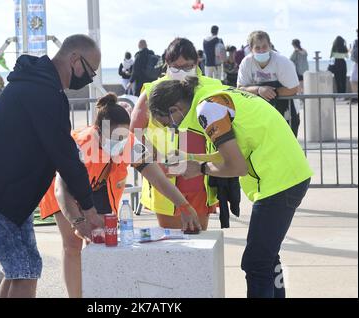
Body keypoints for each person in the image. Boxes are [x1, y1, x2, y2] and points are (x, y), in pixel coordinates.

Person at [0, 34, 104, 298]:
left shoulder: (38, 84)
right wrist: (89, 208)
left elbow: (63, 155)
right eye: (89, 71)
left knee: (21, 269)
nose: (89, 78)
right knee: (26, 273)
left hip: (4, 191)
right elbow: (65, 158)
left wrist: (79, 215)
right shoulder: (43, 91)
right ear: (74, 59)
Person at [148, 77, 313, 298]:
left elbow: (236, 166)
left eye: (168, 122)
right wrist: (193, 160)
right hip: (287, 174)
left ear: (175, 109)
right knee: (267, 258)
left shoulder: (209, 109)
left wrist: (202, 168)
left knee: (255, 263)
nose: (172, 127)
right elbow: (231, 153)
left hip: (279, 181)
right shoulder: (211, 95)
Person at [39, 93, 201, 298]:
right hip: (67, 191)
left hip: (99, 186)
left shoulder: (130, 143)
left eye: (124, 137)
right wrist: (78, 221)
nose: (121, 143)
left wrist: (184, 206)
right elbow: (62, 190)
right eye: (115, 138)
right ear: (98, 131)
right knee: (73, 244)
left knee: (105, 241)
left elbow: (159, 179)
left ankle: (101, 294)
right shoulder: (81, 144)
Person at [130, 37, 224, 231]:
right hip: (166, 180)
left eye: (187, 66)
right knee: (172, 246)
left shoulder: (213, 87)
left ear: (197, 62)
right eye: (176, 67)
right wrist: (156, 158)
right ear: (167, 63)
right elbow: (133, 134)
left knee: (199, 242)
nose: (181, 72)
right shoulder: (152, 91)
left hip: (202, 178)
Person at [238, 31, 300, 137]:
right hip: (259, 114)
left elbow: (294, 88)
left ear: (270, 46)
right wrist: (259, 90)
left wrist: (271, 93)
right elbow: (240, 88)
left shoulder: (282, 62)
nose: (261, 50)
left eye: (264, 47)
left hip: (287, 112)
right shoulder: (246, 63)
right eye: (257, 48)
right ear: (251, 49)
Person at [350, 30, 358, 103]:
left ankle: (355, 97)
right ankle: (355, 97)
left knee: (353, 79)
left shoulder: (356, 41)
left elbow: (354, 54)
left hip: (357, 63)